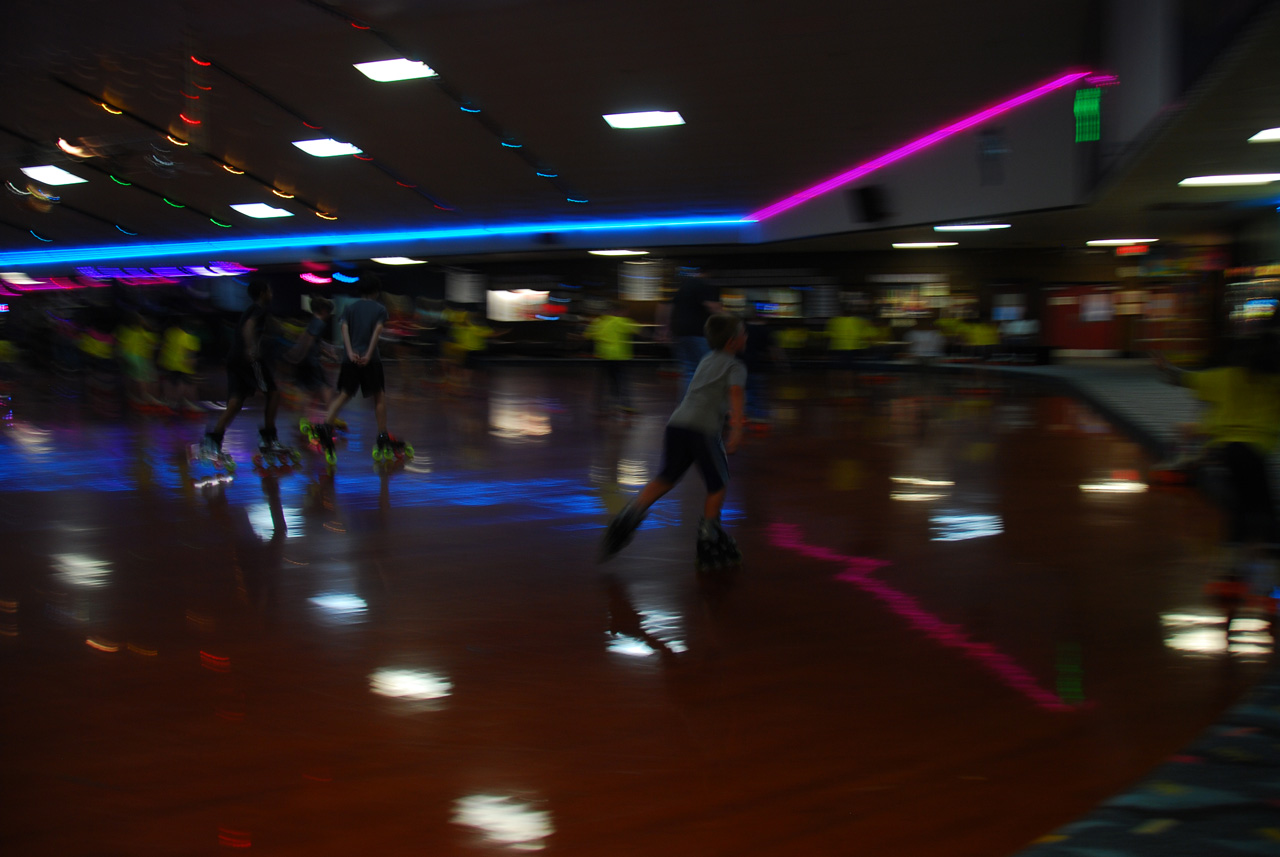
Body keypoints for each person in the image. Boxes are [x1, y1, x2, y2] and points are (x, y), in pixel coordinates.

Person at [600, 313, 747, 569]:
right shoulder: (736, 366)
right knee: (718, 484)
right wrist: (736, 430)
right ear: (733, 342)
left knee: (666, 478)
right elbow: (735, 393)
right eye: (744, 333)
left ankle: (626, 519)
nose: (747, 337)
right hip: (702, 430)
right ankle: (708, 538)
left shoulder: (706, 359)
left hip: (677, 425)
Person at [1155, 335, 1280, 608]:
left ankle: (1229, 575)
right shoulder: (1272, 382)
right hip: (1256, 452)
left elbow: (1182, 379)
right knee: (1265, 511)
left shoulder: (1224, 376)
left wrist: (1164, 366)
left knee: (1240, 510)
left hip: (1226, 451)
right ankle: (1271, 586)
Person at [313, 279, 406, 462]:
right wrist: (369, 354)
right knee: (378, 396)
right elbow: (377, 332)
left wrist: (349, 352)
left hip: (350, 359)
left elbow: (344, 329)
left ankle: (325, 428)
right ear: (376, 291)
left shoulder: (350, 308)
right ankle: (382, 436)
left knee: (344, 395)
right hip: (371, 360)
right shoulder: (380, 309)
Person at [201, 280, 289, 464]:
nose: (271, 293)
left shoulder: (251, 309)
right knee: (273, 394)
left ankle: (213, 440)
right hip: (249, 360)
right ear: (264, 292)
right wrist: (251, 349)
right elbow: (249, 326)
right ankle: (269, 439)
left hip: (234, 360)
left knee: (235, 403)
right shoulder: (258, 309)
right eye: (270, 289)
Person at [663, 268, 721, 396]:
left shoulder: (683, 287)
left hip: (680, 333)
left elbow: (668, 307)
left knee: (689, 371)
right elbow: (712, 306)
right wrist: (729, 319)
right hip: (698, 333)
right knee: (708, 369)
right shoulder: (702, 284)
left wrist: (665, 330)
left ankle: (687, 405)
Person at [583, 301, 640, 414]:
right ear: (619, 311)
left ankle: (600, 406)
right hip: (619, 357)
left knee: (602, 383)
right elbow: (638, 331)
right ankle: (625, 405)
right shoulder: (622, 321)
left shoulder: (599, 321)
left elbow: (587, 335)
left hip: (603, 357)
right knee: (622, 382)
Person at [286, 296, 337, 418]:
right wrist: (300, 356)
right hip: (311, 362)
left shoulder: (312, 322)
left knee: (306, 391)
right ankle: (331, 417)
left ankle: (300, 418)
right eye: (328, 313)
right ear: (324, 310)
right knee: (326, 388)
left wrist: (329, 355)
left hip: (306, 361)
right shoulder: (319, 322)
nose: (328, 316)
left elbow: (312, 341)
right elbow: (309, 340)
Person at [159, 315, 202, 413]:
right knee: (185, 383)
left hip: (169, 364)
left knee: (172, 382)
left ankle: (172, 403)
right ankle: (177, 403)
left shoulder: (168, 333)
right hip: (180, 366)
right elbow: (191, 357)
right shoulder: (190, 338)